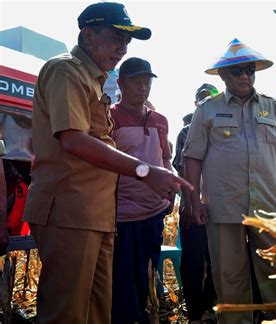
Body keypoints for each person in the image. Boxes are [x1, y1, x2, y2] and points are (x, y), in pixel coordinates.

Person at [23, 3, 191, 323]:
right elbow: (73, 138)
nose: (123, 49)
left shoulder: (93, 79)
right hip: (68, 211)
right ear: (88, 34)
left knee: (99, 312)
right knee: (68, 314)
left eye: (127, 41)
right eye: (116, 38)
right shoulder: (66, 71)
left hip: (97, 214)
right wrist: (144, 170)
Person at [183, 38, 276, 324]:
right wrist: (193, 201)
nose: (244, 76)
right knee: (229, 276)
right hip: (223, 207)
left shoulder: (272, 108)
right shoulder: (207, 110)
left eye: (249, 70)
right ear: (223, 75)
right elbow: (192, 158)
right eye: (236, 71)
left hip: (268, 207)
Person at [110, 57, 173, 324]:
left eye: (147, 81)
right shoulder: (110, 116)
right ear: (121, 83)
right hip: (121, 215)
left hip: (153, 213)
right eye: (136, 81)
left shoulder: (160, 119)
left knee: (148, 276)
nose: (143, 87)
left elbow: (166, 158)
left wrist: (169, 191)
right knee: (123, 283)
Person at [173, 83, 218, 324]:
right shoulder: (187, 131)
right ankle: (195, 313)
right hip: (193, 205)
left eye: (211, 97)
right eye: (201, 98)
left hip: (219, 207)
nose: (206, 101)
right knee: (193, 261)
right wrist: (191, 204)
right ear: (195, 103)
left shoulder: (222, 129)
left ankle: (211, 307)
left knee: (217, 260)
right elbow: (182, 169)